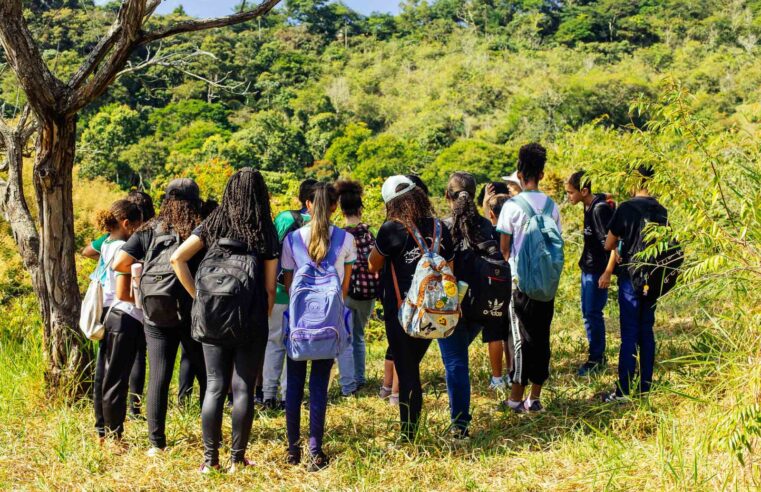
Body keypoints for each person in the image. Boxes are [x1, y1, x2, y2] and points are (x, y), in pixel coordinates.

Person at [170, 168, 279, 473]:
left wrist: (199, 298)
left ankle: (209, 462)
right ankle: (237, 459)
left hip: (212, 316)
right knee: (242, 387)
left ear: (229, 191)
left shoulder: (213, 223)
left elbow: (176, 258)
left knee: (215, 386)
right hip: (251, 318)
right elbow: (270, 288)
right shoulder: (264, 229)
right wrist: (261, 316)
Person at [114, 179, 208, 456]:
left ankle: (156, 443)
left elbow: (120, 263)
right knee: (205, 375)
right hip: (193, 309)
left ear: (165, 200)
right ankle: (209, 438)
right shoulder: (200, 227)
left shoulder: (149, 229)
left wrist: (149, 265)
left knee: (159, 375)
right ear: (195, 200)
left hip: (157, 310)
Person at [369, 175, 455, 440]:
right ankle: (411, 430)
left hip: (403, 314)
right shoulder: (441, 227)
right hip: (437, 314)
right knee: (411, 369)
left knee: (408, 374)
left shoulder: (391, 229)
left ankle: (409, 435)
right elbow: (452, 269)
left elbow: (374, 264)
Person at [281, 182, 357, 470]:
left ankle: (292, 448)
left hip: (299, 323)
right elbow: (345, 288)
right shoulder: (346, 239)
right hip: (329, 323)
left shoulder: (292, 240)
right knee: (319, 386)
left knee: (294, 385)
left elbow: (289, 286)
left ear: (309, 205)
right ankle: (315, 449)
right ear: (335, 206)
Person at [497, 143, 562, 413]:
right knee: (541, 336)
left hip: (519, 283)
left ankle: (514, 399)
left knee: (520, 339)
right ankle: (534, 398)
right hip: (547, 284)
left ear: (520, 175)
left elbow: (503, 248)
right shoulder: (552, 206)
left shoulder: (511, 206)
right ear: (542, 175)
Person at [440, 172, 499, 438]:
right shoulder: (486, 226)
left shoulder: (442, 227)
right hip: (482, 305)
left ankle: (460, 423)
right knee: (457, 359)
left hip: (452, 305)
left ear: (447, 196)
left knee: (455, 363)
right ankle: (459, 419)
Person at [602, 165, 666, 401]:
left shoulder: (626, 208)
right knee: (646, 331)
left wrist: (620, 244)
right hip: (654, 278)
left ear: (635, 182)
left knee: (629, 333)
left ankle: (624, 390)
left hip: (630, 277)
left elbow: (609, 244)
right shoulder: (661, 210)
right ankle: (645, 388)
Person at [262, 179, 318, 410]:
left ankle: (268, 394)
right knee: (296, 345)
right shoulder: (323, 226)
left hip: (279, 292)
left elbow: (270, 250)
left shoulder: (286, 218)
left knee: (274, 342)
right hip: (307, 296)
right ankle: (289, 396)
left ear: (302, 198)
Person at [95, 199, 144, 442]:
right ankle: (114, 435)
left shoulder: (106, 243)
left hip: (109, 312)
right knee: (117, 378)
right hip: (125, 314)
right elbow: (125, 291)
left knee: (105, 374)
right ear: (127, 224)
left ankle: (103, 429)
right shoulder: (123, 248)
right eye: (138, 226)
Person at [565, 170, 616, 376]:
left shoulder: (598, 210)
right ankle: (596, 356)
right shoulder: (588, 206)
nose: (568, 196)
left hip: (597, 271)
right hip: (587, 268)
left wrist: (608, 272)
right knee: (588, 313)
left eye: (570, 192)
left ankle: (596, 359)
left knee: (593, 314)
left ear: (584, 191)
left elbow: (613, 243)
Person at [335, 180, 378, 393]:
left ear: (341, 209)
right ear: (361, 208)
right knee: (359, 335)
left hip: (346, 291)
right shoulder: (370, 234)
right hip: (368, 293)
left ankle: (349, 380)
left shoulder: (340, 236)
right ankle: (360, 378)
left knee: (345, 337)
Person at [484, 193, 513, 390]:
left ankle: (497, 378)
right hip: (513, 283)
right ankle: (512, 372)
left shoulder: (488, 233)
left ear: (492, 215)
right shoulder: (514, 232)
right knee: (510, 332)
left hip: (492, 288)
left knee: (494, 333)